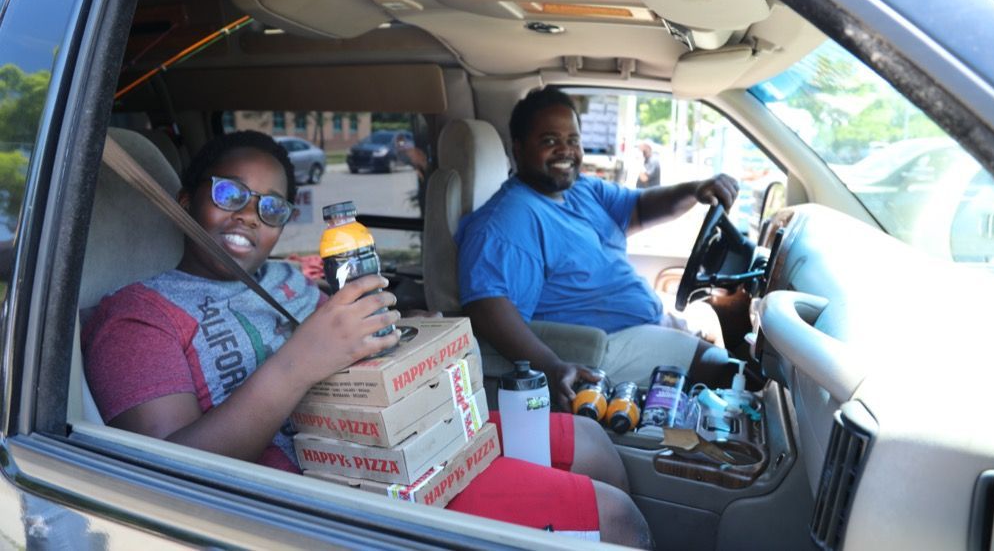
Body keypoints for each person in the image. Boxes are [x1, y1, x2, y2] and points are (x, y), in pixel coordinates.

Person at [82, 130, 650, 547]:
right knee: (618, 520)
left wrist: (400, 332)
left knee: (594, 443)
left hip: (393, 442)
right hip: (326, 499)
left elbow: (358, 362)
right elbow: (166, 474)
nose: (250, 217)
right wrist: (299, 360)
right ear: (186, 201)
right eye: (231, 194)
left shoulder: (284, 280)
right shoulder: (137, 317)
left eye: (271, 206)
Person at [456, 86, 739, 409]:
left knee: (722, 347)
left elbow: (640, 208)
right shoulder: (506, 221)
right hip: (599, 349)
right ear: (517, 150)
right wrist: (550, 366)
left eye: (572, 140)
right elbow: (485, 306)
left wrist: (696, 189)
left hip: (643, 325)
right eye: (549, 141)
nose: (565, 151)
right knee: (726, 370)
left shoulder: (580, 190)